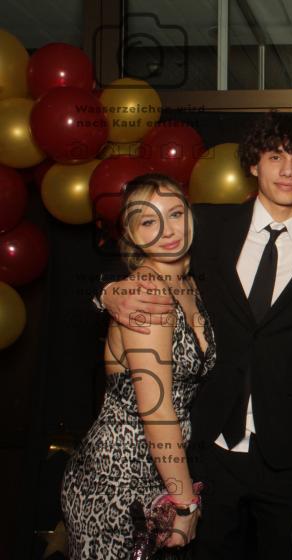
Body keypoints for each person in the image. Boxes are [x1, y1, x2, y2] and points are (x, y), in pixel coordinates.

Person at [98, 112, 292, 559]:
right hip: (205, 445)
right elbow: (143, 256)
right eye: (275, 157)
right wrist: (107, 293)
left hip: (285, 450)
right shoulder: (204, 225)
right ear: (254, 164)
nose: (288, 171)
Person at [62, 174, 214, 558]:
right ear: (130, 233)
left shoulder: (190, 284)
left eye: (175, 213)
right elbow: (156, 409)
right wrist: (185, 503)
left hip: (164, 472)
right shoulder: (147, 292)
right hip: (118, 479)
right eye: (149, 221)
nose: (167, 230)